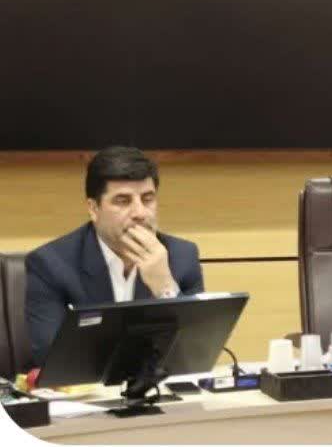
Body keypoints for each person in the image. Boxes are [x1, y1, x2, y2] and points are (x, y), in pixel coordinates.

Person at [25, 146, 204, 366]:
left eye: (147, 199)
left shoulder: (182, 257)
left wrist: (165, 288)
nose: (140, 213)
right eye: (123, 201)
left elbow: (196, 354)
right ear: (93, 208)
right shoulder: (51, 265)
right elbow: (50, 359)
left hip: (156, 386)